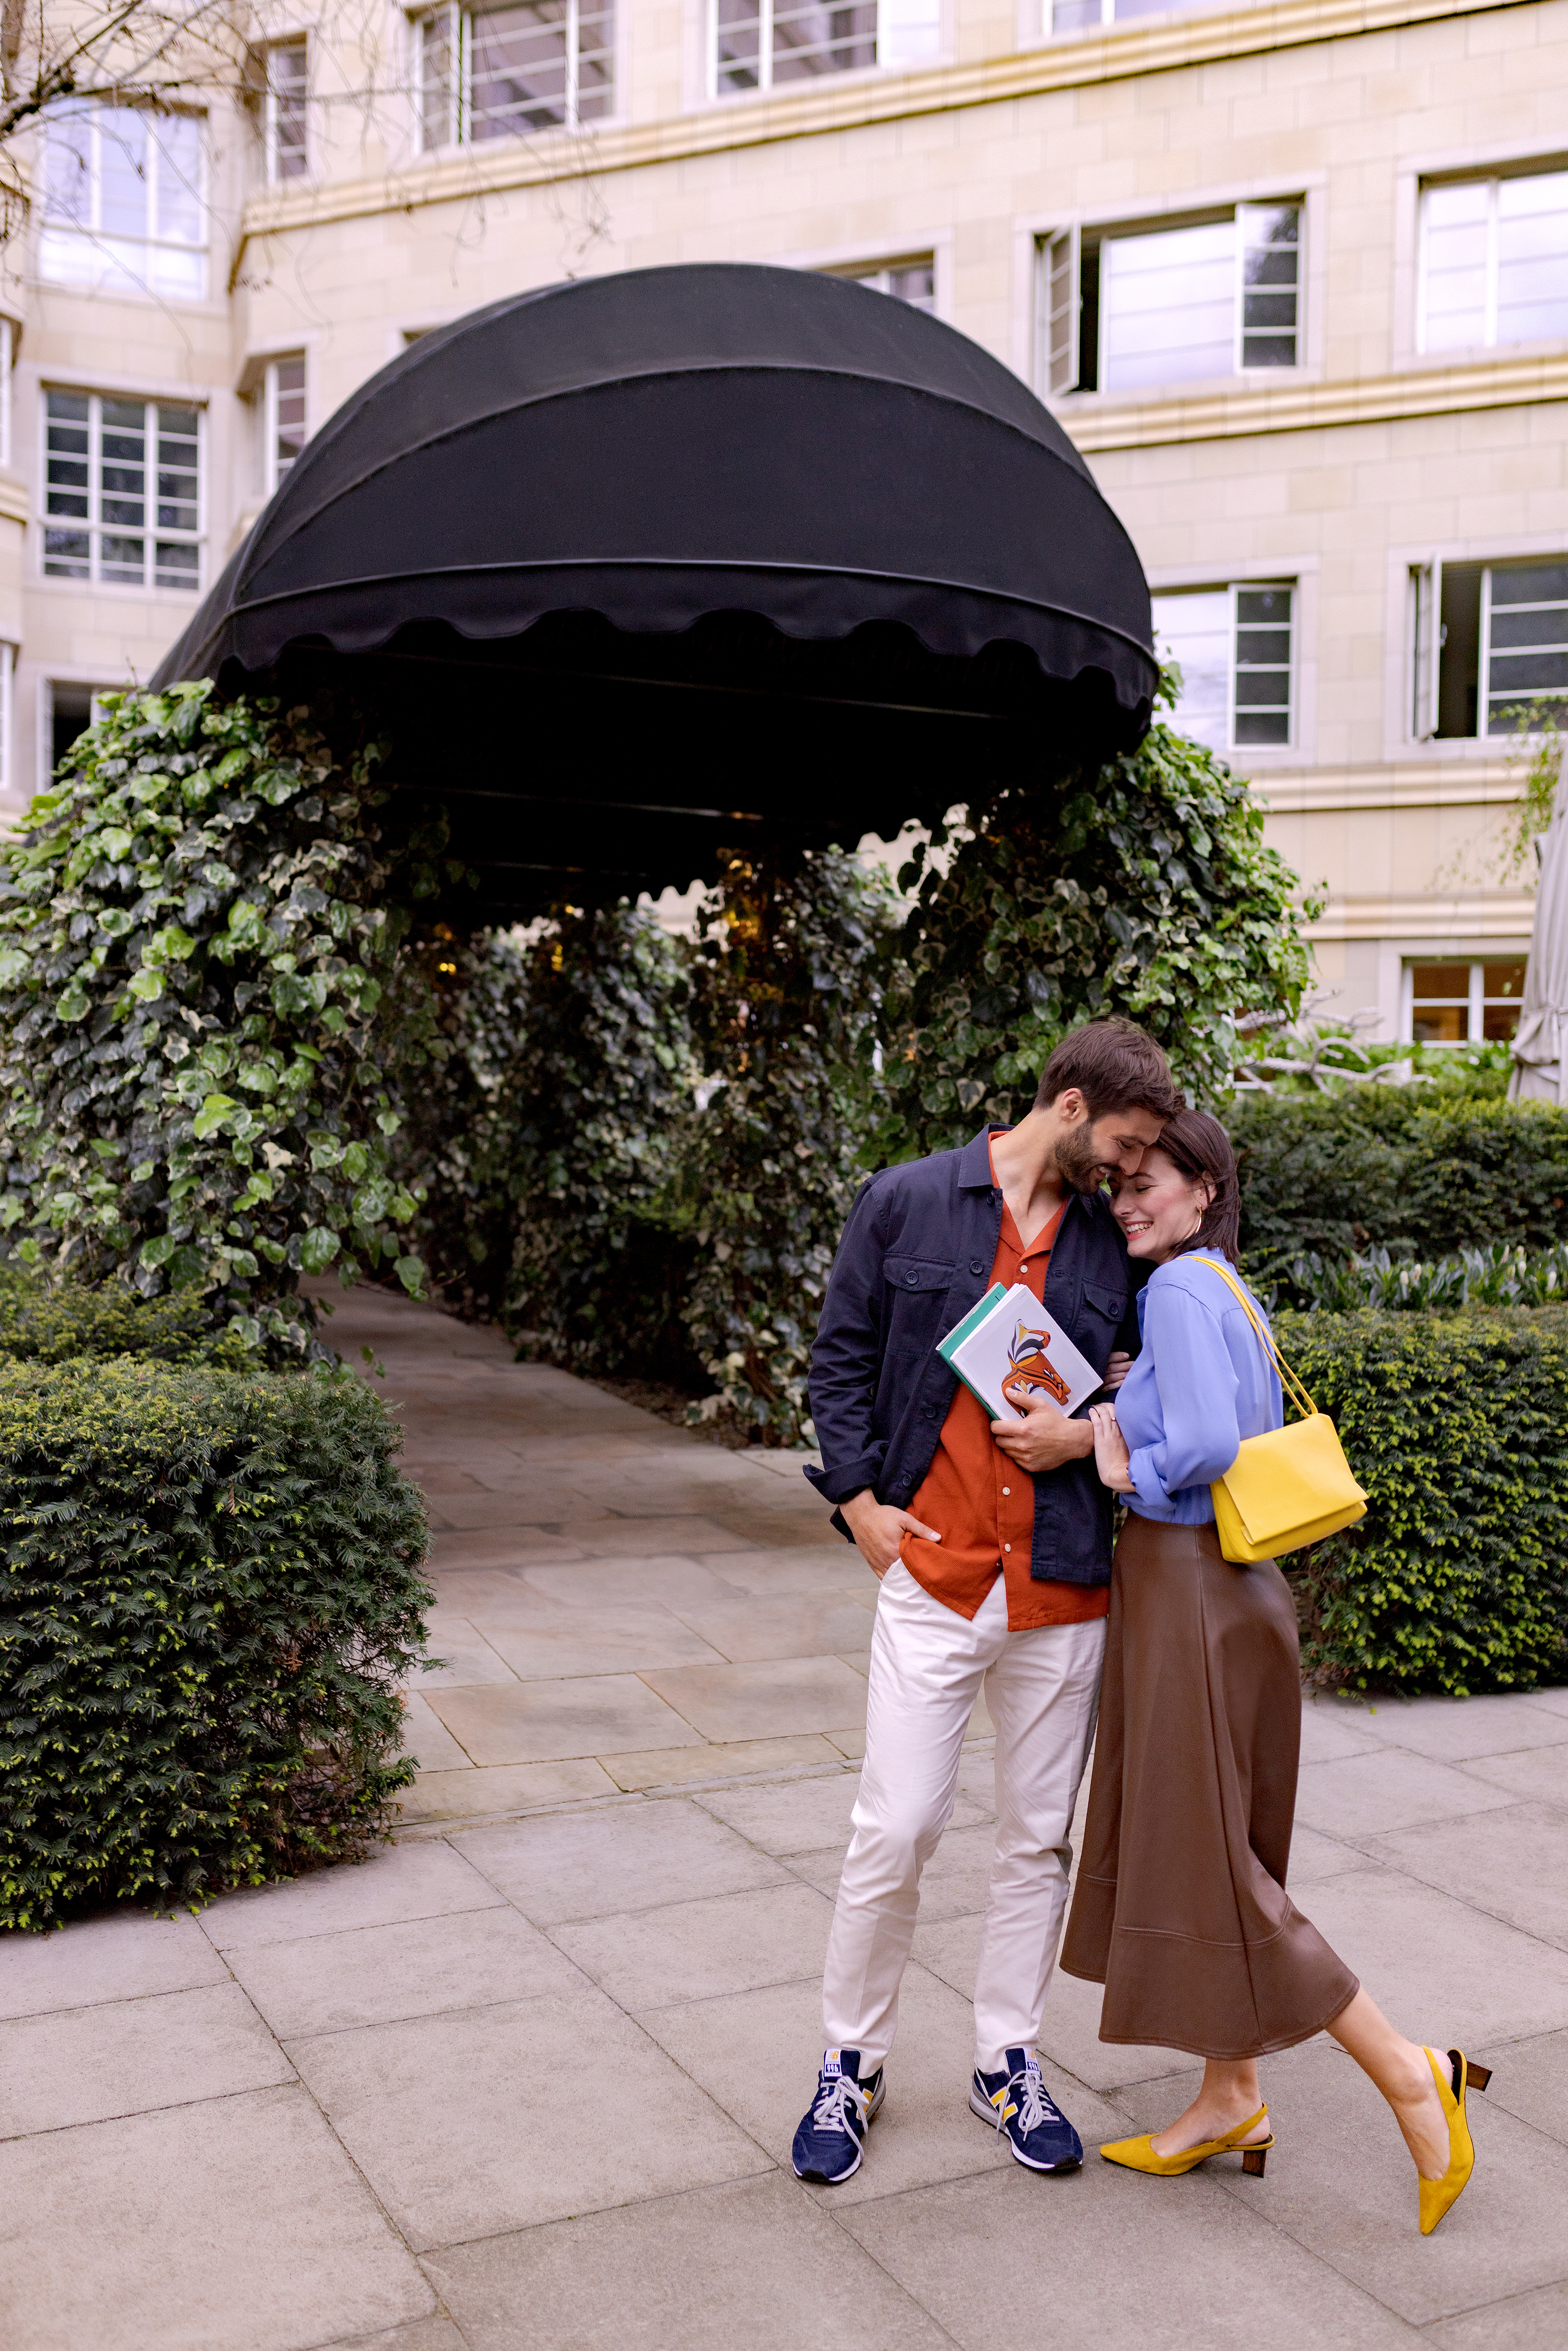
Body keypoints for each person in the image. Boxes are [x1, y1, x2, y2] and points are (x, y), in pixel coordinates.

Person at [1061, 1108, 1488, 2237]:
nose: (1129, 1200)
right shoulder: (1222, 1291)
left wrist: (1116, 1453)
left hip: (1189, 1582)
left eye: (1148, 1180)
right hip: (1233, 1592)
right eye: (1120, 1187)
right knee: (1227, 1849)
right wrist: (1134, 1384)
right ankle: (1229, 2096)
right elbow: (1211, 1411)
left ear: (1206, 1186)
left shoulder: (1179, 1293)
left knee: (1217, 1866)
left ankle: (1410, 2075)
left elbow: (1199, 1449)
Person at [792, 1018, 1182, 2186]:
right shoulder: (907, 1201)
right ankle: (848, 2061)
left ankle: (1006, 2055)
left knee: (1034, 1841)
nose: (1125, 1171)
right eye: (1119, 1144)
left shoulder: (1117, 1246)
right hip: (935, 1577)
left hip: (1065, 1585)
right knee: (895, 1828)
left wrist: (1091, 1430)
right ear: (1070, 1107)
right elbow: (840, 1356)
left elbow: (1155, 1397)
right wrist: (858, 1501)